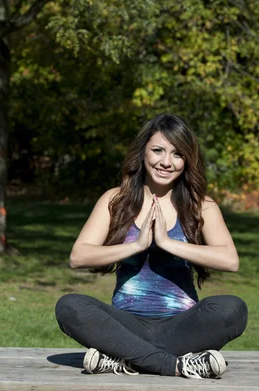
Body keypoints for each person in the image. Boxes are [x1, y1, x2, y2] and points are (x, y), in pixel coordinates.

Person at [55, 114, 248, 380]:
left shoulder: (201, 205)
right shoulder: (115, 200)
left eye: (177, 154)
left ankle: (124, 359)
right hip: (125, 324)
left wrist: (167, 243)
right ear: (143, 152)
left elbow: (230, 260)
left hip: (182, 326)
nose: (166, 162)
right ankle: (176, 365)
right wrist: (137, 245)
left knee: (233, 309)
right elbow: (78, 256)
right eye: (158, 150)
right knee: (69, 306)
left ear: (187, 160)